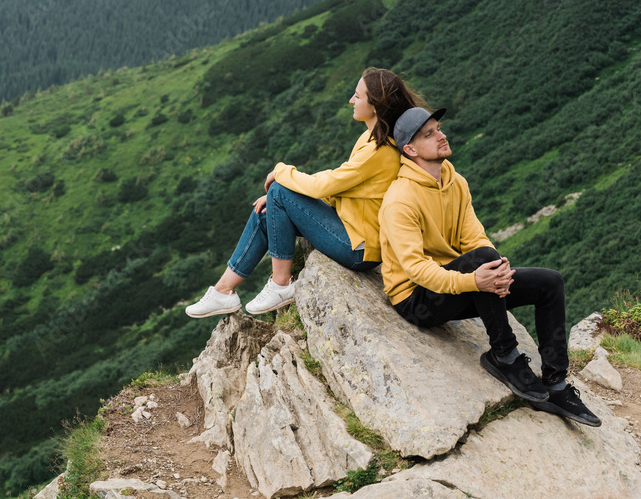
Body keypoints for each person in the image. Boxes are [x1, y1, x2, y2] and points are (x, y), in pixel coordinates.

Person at [379, 107, 600, 427]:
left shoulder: (456, 183)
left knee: (550, 283)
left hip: (458, 280)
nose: (441, 135)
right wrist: (475, 280)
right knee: (482, 261)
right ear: (410, 150)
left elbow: (475, 238)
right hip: (416, 300)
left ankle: (556, 383)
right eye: (429, 134)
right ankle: (504, 355)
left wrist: (498, 270)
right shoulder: (400, 199)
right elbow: (415, 269)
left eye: (439, 128)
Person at [185, 68, 422, 318]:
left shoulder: (379, 149)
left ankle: (281, 285)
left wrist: (280, 171)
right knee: (268, 211)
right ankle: (223, 291)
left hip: (360, 248)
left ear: (374, 105)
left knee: (278, 190)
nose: (351, 100)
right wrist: (283, 201)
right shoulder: (373, 138)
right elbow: (344, 185)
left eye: (357, 96)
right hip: (351, 228)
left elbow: (324, 185)